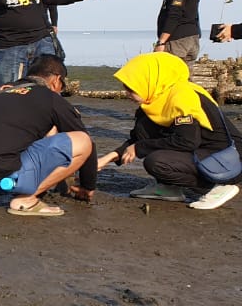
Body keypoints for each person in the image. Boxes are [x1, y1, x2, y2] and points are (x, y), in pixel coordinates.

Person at [0, 54, 96, 215]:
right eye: (63, 85)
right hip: (2, 179)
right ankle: (26, 200)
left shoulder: (0, 89)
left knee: (2, 134)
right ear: (56, 80)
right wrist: (88, 186)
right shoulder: (51, 98)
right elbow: (88, 143)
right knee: (83, 141)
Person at [99, 53, 240, 210]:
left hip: (227, 158)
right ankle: (168, 188)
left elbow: (187, 141)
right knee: (147, 133)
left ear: (148, 81)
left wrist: (139, 148)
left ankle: (216, 186)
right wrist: (106, 159)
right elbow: (137, 139)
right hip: (202, 152)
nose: (127, 94)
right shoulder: (154, 102)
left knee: (156, 161)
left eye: (131, 90)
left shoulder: (182, 96)